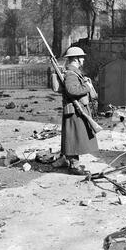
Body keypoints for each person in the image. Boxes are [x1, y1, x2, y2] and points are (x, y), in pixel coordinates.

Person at [53, 47, 99, 175]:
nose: (83, 59)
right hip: (75, 110)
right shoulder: (71, 74)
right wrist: (87, 86)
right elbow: (72, 90)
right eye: (81, 57)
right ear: (76, 59)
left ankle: (68, 160)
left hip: (77, 109)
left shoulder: (73, 72)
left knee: (74, 137)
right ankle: (74, 166)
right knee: (74, 138)